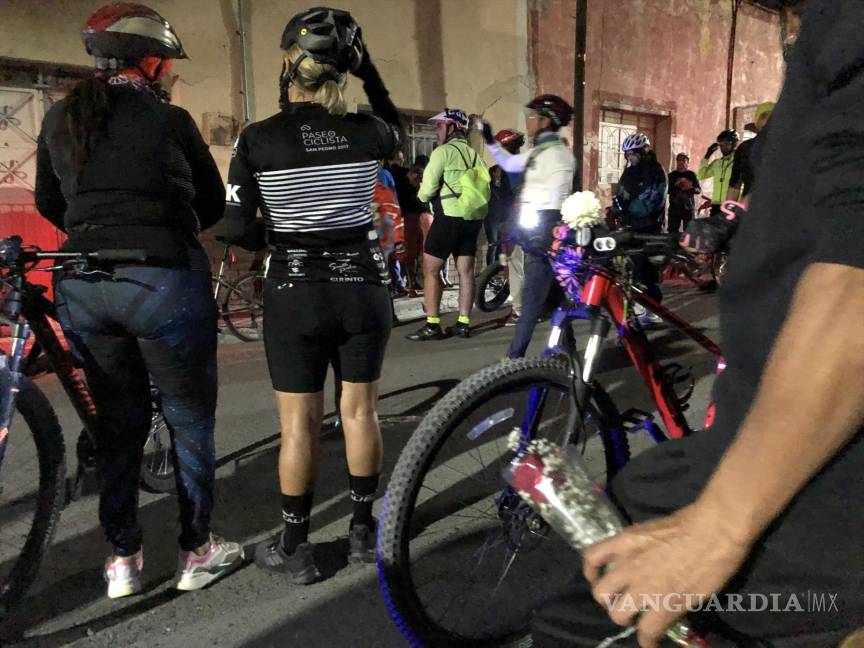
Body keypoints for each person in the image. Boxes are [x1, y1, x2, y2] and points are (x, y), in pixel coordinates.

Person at [532, 2, 863, 645]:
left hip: (820, 490)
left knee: (588, 623)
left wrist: (718, 525)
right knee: (630, 504)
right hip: (764, 436)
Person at [34, 3, 243, 599]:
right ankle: (197, 550)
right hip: (161, 279)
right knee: (188, 417)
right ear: (150, 60)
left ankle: (123, 558)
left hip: (83, 281)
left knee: (116, 421)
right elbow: (209, 202)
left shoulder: (60, 118)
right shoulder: (169, 120)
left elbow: (54, 205)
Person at [222, 7, 403, 582]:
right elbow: (394, 123)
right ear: (346, 70)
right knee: (360, 412)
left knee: (300, 424)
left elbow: (235, 229)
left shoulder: (257, 139)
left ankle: (295, 546)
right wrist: (370, 70)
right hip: (362, 286)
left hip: (295, 290)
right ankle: (360, 530)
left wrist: (278, 231)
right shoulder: (370, 132)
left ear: (288, 65)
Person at [481, 95, 575, 358]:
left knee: (531, 303)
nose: (529, 120)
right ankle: (570, 356)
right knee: (556, 301)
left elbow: (558, 198)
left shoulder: (556, 155)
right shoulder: (540, 151)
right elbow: (510, 164)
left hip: (545, 234)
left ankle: (513, 359)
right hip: (543, 232)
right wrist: (490, 141)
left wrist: (542, 233)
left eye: (533, 115)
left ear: (546, 121)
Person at [406, 108, 489, 341]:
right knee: (466, 272)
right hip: (472, 219)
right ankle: (463, 323)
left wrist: (420, 198)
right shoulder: (475, 155)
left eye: (439, 126)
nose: (435, 131)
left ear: (452, 127)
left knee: (431, 269)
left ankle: (432, 324)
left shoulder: (442, 152)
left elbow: (428, 188)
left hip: (448, 218)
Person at [613, 132, 667, 324]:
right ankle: (639, 306)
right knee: (632, 267)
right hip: (630, 228)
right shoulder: (629, 172)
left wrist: (630, 210)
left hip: (649, 227)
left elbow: (653, 200)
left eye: (633, 154)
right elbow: (621, 193)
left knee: (647, 269)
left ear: (644, 151)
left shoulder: (656, 171)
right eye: (627, 155)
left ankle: (653, 309)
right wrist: (615, 208)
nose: (630, 158)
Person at [727, 101, 775, 203]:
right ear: (757, 124)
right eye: (764, 116)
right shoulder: (745, 148)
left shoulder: (786, 149)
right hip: (748, 211)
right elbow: (735, 183)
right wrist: (728, 211)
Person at [698, 129, 739, 214]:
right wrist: (707, 156)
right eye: (721, 144)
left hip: (731, 205)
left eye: (725, 143)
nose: (722, 147)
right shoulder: (717, 163)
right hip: (716, 205)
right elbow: (701, 175)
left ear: (733, 144)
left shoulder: (739, 162)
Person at [666, 152, 701, 233]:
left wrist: (690, 188)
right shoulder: (671, 175)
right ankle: (673, 246)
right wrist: (675, 185)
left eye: (683, 160)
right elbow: (666, 191)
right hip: (674, 209)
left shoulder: (691, 174)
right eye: (679, 160)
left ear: (687, 162)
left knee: (689, 232)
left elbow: (698, 190)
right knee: (672, 232)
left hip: (688, 209)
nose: (681, 162)